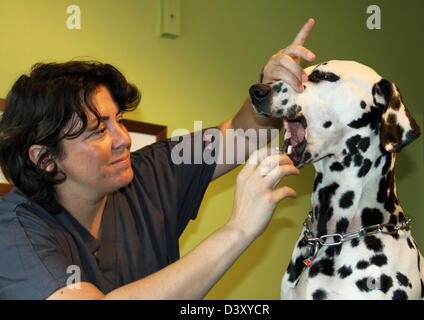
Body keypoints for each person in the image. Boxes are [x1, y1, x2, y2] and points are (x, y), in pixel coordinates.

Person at [0, 19, 316, 300]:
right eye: (98, 132)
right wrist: (238, 229)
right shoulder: (15, 233)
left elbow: (241, 134)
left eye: (119, 121)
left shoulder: (149, 173)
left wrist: (272, 88)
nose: (123, 139)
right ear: (45, 160)